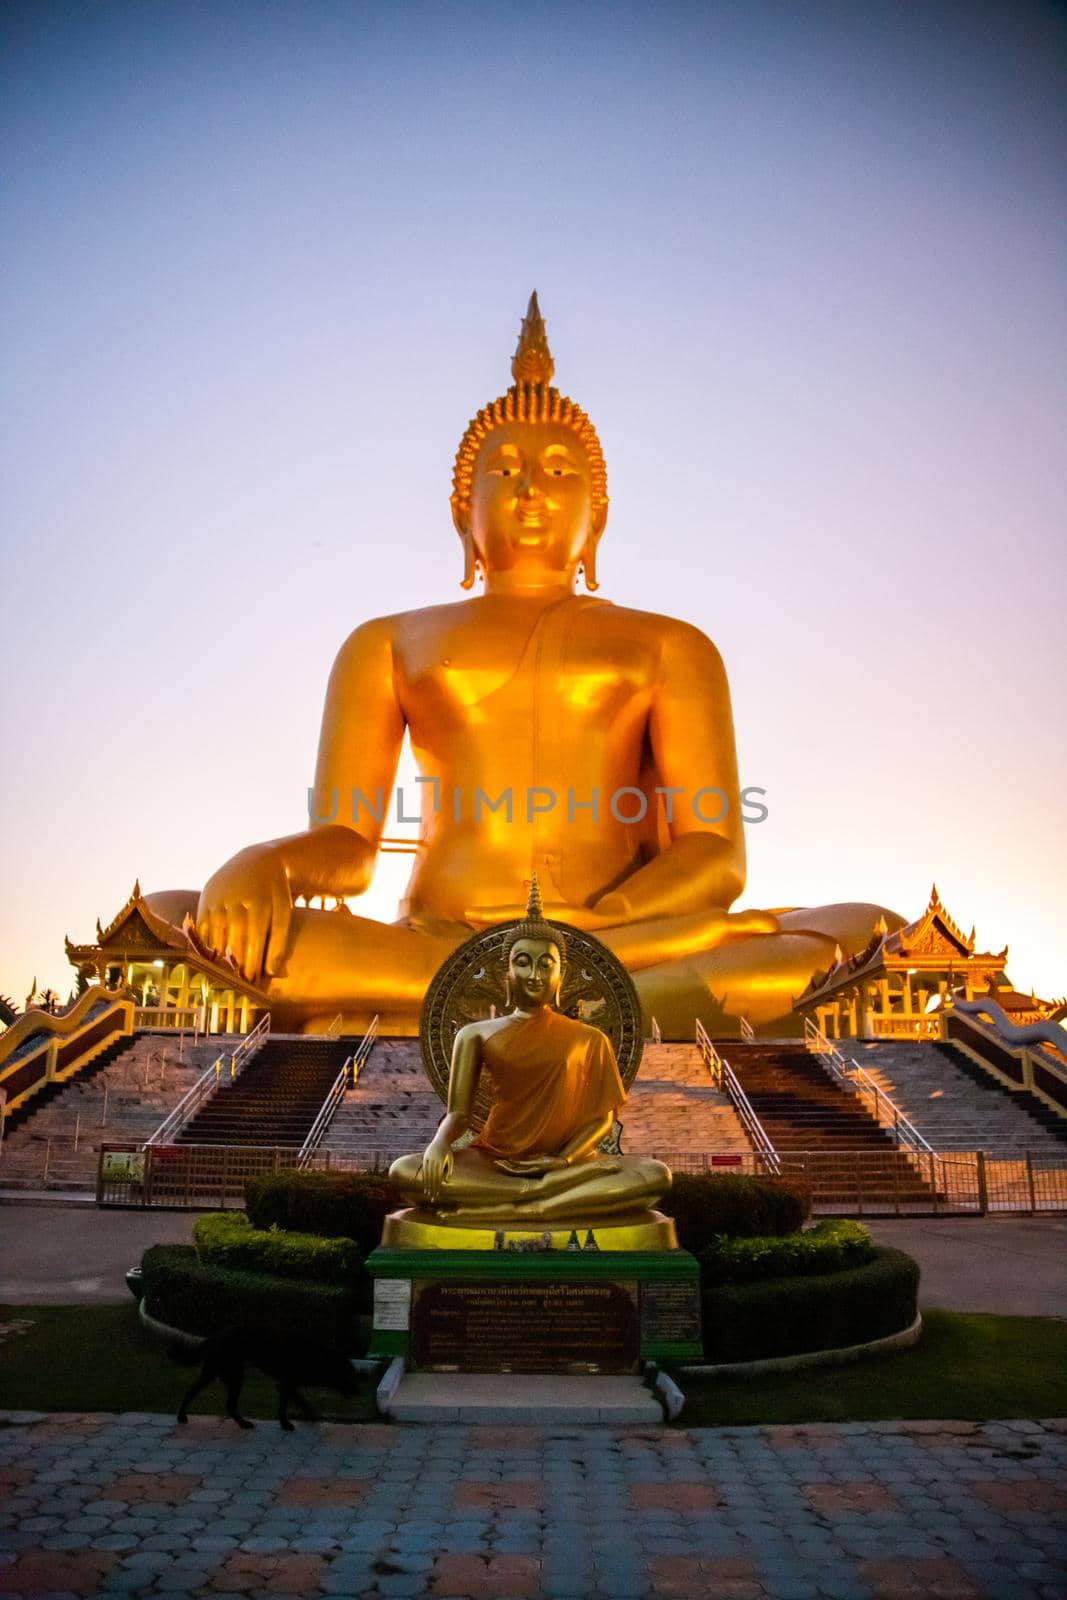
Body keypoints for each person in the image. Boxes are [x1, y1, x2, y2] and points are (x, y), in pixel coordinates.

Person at [165, 294, 898, 1036]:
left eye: (558, 470)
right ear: (462, 511)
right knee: (183, 918)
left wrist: (604, 917)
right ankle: (585, 1005)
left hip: (616, 939)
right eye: (503, 469)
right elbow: (351, 849)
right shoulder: (386, 641)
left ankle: (502, 1001)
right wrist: (263, 863)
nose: (530, 488)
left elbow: (714, 854)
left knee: (868, 929)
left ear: (597, 516)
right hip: (441, 940)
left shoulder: (671, 644)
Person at [389, 886, 670, 1223]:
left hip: (570, 1160)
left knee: (655, 1174)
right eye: (522, 963)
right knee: (406, 1171)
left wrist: (563, 1162)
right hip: (495, 1161)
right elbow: (458, 1114)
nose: (534, 974)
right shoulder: (475, 1034)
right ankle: (542, 1194)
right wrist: (438, 1143)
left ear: (559, 976)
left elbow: (602, 1119)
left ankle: (529, 1201)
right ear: (506, 973)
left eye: (545, 964)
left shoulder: (590, 1039)